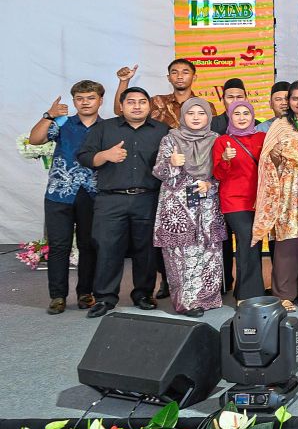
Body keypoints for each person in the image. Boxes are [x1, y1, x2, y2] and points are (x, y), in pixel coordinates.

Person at [77, 87, 169, 317]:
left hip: (148, 198)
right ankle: (105, 298)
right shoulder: (104, 128)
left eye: (142, 102)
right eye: (131, 102)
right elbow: (85, 156)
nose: (137, 106)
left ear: (149, 106)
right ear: (122, 106)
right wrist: (104, 156)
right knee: (108, 248)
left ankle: (143, 294)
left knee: (146, 249)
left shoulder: (162, 130)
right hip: (111, 200)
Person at [31, 81, 101, 315]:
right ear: (74, 102)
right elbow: (35, 140)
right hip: (59, 194)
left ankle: (85, 293)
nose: (85, 102)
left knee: (88, 245)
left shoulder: (108, 127)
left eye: (90, 97)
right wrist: (48, 115)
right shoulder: (62, 123)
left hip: (92, 194)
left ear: (100, 100)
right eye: (80, 98)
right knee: (59, 246)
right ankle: (58, 296)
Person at [152, 98, 224, 317]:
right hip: (178, 207)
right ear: (183, 115)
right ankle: (187, 302)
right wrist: (171, 163)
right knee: (181, 254)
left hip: (207, 203)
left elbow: (224, 172)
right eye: (190, 113)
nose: (195, 117)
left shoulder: (216, 139)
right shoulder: (171, 139)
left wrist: (212, 183)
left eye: (200, 113)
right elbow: (159, 172)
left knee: (209, 251)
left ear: (208, 117)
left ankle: (208, 298)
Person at [253, 81, 298, 312]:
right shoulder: (279, 125)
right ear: (288, 102)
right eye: (295, 98)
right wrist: (276, 156)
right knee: (288, 241)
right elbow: (267, 161)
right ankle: (284, 294)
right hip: (288, 190)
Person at [212, 100, 267, 301]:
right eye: (237, 114)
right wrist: (226, 159)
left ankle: (245, 289)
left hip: (260, 200)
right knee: (248, 240)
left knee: (254, 243)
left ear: (253, 116)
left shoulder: (262, 137)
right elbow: (218, 174)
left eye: (246, 113)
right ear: (230, 116)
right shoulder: (222, 141)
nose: (242, 117)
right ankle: (249, 295)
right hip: (234, 201)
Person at [114, 59, 216, 128]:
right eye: (174, 72)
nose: (179, 76)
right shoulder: (156, 102)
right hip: (158, 156)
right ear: (168, 78)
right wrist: (124, 81)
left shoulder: (205, 106)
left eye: (185, 72)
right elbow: (120, 110)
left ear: (194, 77)